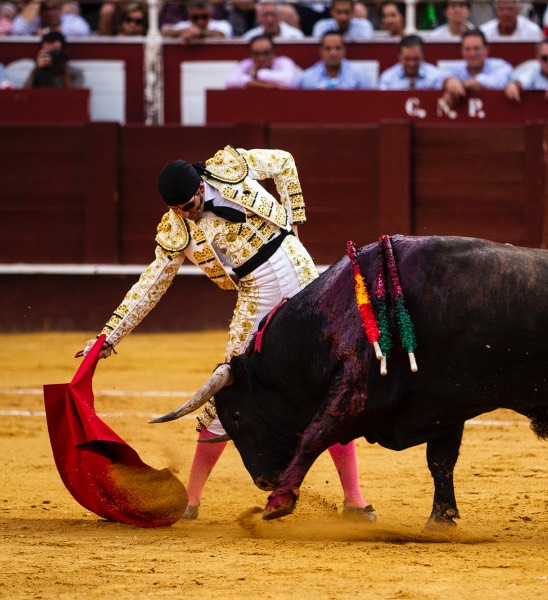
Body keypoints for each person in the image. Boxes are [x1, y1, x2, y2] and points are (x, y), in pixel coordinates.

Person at [80, 146, 376, 523]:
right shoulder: (177, 229)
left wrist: (293, 218)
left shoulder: (230, 167)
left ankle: (354, 500)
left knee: (328, 383)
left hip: (302, 274)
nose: (186, 213)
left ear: (200, 187)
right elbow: (151, 284)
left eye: (189, 205)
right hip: (256, 293)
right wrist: (108, 337)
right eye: (177, 209)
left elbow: (284, 162)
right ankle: (191, 500)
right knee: (227, 387)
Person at [441, 30, 513, 106]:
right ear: (461, 51)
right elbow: (443, 75)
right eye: (467, 49)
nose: (472, 54)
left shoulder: (501, 66)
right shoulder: (455, 67)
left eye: (476, 49)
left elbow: (498, 82)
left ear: (486, 49)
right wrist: (451, 82)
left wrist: (462, 85)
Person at [298, 30, 373, 89]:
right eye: (328, 49)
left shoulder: (358, 73)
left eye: (338, 48)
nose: (333, 53)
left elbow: (368, 99)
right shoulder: (308, 78)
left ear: (344, 50)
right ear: (321, 51)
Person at [225, 34, 300, 88]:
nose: (261, 58)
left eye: (266, 53)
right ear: (250, 54)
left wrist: (257, 75)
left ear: (274, 52)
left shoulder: (283, 62)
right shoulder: (246, 63)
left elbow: (288, 81)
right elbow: (230, 81)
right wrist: (264, 86)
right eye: (256, 54)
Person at [378, 34, 445, 90]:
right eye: (407, 59)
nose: (411, 64)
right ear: (399, 57)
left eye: (416, 59)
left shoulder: (435, 77)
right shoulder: (387, 78)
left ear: (422, 56)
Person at [163, 1, 233, 42]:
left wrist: (198, 34)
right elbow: (166, 34)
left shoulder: (222, 24)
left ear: (210, 16)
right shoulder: (183, 25)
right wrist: (184, 31)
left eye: (204, 17)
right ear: (189, 17)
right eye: (195, 17)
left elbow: (222, 34)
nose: (200, 21)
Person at [11, 0, 90, 36]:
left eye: (54, 8)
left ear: (61, 9)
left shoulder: (70, 19)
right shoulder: (33, 21)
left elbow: (82, 31)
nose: (50, 13)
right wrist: (36, 2)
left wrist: (47, 32)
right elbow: (17, 30)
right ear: (39, 11)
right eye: (45, 9)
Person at [479, 0, 543, 41]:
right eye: (501, 9)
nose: (506, 14)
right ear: (495, 11)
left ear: (518, 10)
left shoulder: (532, 31)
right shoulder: (484, 32)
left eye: (510, 9)